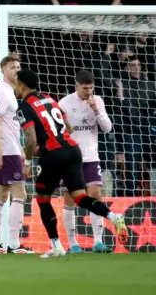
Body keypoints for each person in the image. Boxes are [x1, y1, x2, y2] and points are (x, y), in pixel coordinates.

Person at [14, 69, 128, 258]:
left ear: (22, 85)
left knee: (42, 199)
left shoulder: (24, 107)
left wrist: (27, 160)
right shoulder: (49, 99)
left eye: (16, 84)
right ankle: (113, 216)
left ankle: (56, 246)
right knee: (79, 197)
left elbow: (31, 140)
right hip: (73, 150)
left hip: (53, 154)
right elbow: (69, 127)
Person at [58, 70, 113, 254]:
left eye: (90, 88)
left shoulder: (97, 101)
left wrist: (96, 110)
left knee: (95, 195)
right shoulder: (64, 103)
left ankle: (98, 242)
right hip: (70, 159)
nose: (88, 92)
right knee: (70, 201)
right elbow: (57, 131)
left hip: (91, 156)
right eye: (84, 88)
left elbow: (107, 128)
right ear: (77, 86)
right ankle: (73, 244)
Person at [0, 55, 32, 254]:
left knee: (0, 194)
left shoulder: (12, 93)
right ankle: (14, 243)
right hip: (5, 151)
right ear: (3, 70)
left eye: (18, 67)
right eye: (13, 67)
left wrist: (20, 149)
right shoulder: (1, 93)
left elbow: (9, 126)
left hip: (11, 149)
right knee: (20, 194)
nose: (17, 70)